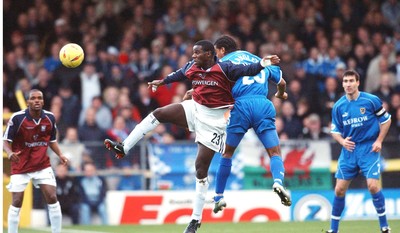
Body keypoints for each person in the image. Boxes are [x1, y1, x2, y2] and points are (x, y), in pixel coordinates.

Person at [104, 39, 274, 233]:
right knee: (159, 113)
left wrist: (264, 63)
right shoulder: (193, 66)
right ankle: (124, 147)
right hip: (195, 108)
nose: (193, 56)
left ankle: (195, 220)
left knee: (200, 169)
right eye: (193, 53)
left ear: (209, 54)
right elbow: (179, 73)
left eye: (197, 53)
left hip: (214, 122)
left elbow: (250, 70)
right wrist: (162, 82)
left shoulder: (226, 68)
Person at [210, 35, 291, 214]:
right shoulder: (258, 59)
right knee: (274, 152)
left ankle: (219, 196)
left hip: (240, 107)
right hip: (263, 104)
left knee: (227, 153)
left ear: (222, 50)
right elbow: (282, 83)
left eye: (217, 52)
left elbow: (213, 87)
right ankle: (278, 182)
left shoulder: (224, 63)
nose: (217, 56)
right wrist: (280, 94)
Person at [327, 70, 392, 233]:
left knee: (372, 186)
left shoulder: (371, 101)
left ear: (358, 83)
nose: (348, 84)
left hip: (368, 148)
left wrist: (379, 140)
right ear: (342, 84)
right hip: (349, 150)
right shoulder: (338, 106)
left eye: (351, 81)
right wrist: (342, 141)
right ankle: (333, 229)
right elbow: (334, 130)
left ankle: (384, 226)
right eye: (345, 81)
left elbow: (386, 120)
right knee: (339, 189)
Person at [3, 89, 68, 233]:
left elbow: (52, 140)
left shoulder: (50, 117)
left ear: (43, 101)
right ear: (27, 102)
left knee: (52, 197)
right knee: (17, 201)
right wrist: (9, 152)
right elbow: (5, 141)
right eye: (33, 98)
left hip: (42, 165)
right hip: (20, 165)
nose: (37, 100)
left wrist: (60, 155)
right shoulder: (17, 118)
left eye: (40, 98)